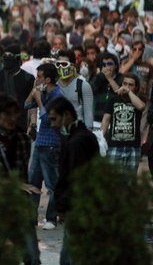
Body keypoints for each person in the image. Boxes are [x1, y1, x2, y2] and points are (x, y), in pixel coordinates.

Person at [0, 94, 42, 265]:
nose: (12, 119)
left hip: (20, 206)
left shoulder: (23, 140)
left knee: (32, 257)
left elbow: (22, 170)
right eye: (7, 114)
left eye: (14, 114)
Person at [47, 97, 99, 265]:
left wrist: (63, 205)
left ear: (66, 115)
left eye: (55, 119)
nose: (53, 124)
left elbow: (75, 177)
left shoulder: (77, 141)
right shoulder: (79, 137)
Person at [24, 62, 63, 231]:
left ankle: (51, 218)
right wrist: (33, 93)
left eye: (39, 77)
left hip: (51, 145)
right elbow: (26, 105)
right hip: (40, 143)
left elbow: (50, 120)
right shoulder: (43, 92)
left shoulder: (57, 95)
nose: (37, 79)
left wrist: (39, 100)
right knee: (33, 183)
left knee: (52, 185)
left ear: (47, 79)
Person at [101, 73, 146, 175]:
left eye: (130, 85)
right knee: (113, 180)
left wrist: (129, 92)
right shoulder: (113, 99)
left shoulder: (138, 100)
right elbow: (106, 119)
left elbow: (141, 107)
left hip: (133, 147)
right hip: (115, 145)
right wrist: (101, 138)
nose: (126, 87)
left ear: (136, 87)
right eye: (125, 84)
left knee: (129, 182)